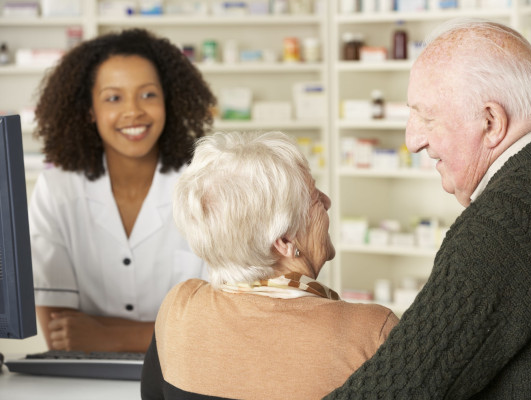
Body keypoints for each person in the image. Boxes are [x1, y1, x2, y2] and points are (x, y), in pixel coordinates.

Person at [326, 18, 531, 398]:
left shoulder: (504, 225)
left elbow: (395, 390)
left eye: (427, 116)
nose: (412, 140)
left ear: (491, 122)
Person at [140, 131, 400, 399]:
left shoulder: (179, 306)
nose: (327, 201)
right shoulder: (370, 332)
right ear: (285, 239)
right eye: (314, 197)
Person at [30, 28, 216, 353]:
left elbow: (219, 324)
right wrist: (171, 331)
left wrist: (108, 336)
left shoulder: (207, 186)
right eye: (114, 98)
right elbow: (61, 333)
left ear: (168, 101)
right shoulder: (57, 189)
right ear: (89, 110)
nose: (134, 111)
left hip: (184, 383)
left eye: (148, 94)